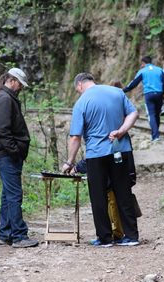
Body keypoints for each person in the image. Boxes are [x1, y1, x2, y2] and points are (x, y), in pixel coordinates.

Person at [62, 72, 140, 247]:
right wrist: (121, 131)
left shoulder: (81, 102)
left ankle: (105, 238)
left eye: (77, 89)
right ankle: (132, 236)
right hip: (121, 150)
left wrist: (69, 162)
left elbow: (75, 137)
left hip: (96, 155)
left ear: (80, 84)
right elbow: (133, 114)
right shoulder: (116, 92)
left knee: (98, 197)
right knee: (123, 192)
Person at [0, 67, 38, 248]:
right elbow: (2, 131)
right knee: (15, 195)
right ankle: (19, 236)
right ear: (13, 81)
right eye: (20, 85)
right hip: (7, 155)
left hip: (6, 154)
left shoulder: (4, 97)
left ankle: (5, 233)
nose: (21, 88)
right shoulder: (5, 99)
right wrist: (15, 151)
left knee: (7, 195)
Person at [123, 56, 164, 142]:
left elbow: (134, 83)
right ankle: (156, 133)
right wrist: (163, 93)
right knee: (157, 114)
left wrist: (124, 90)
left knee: (151, 114)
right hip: (159, 94)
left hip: (149, 94)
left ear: (143, 63)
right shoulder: (159, 70)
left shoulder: (142, 71)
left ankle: (155, 136)